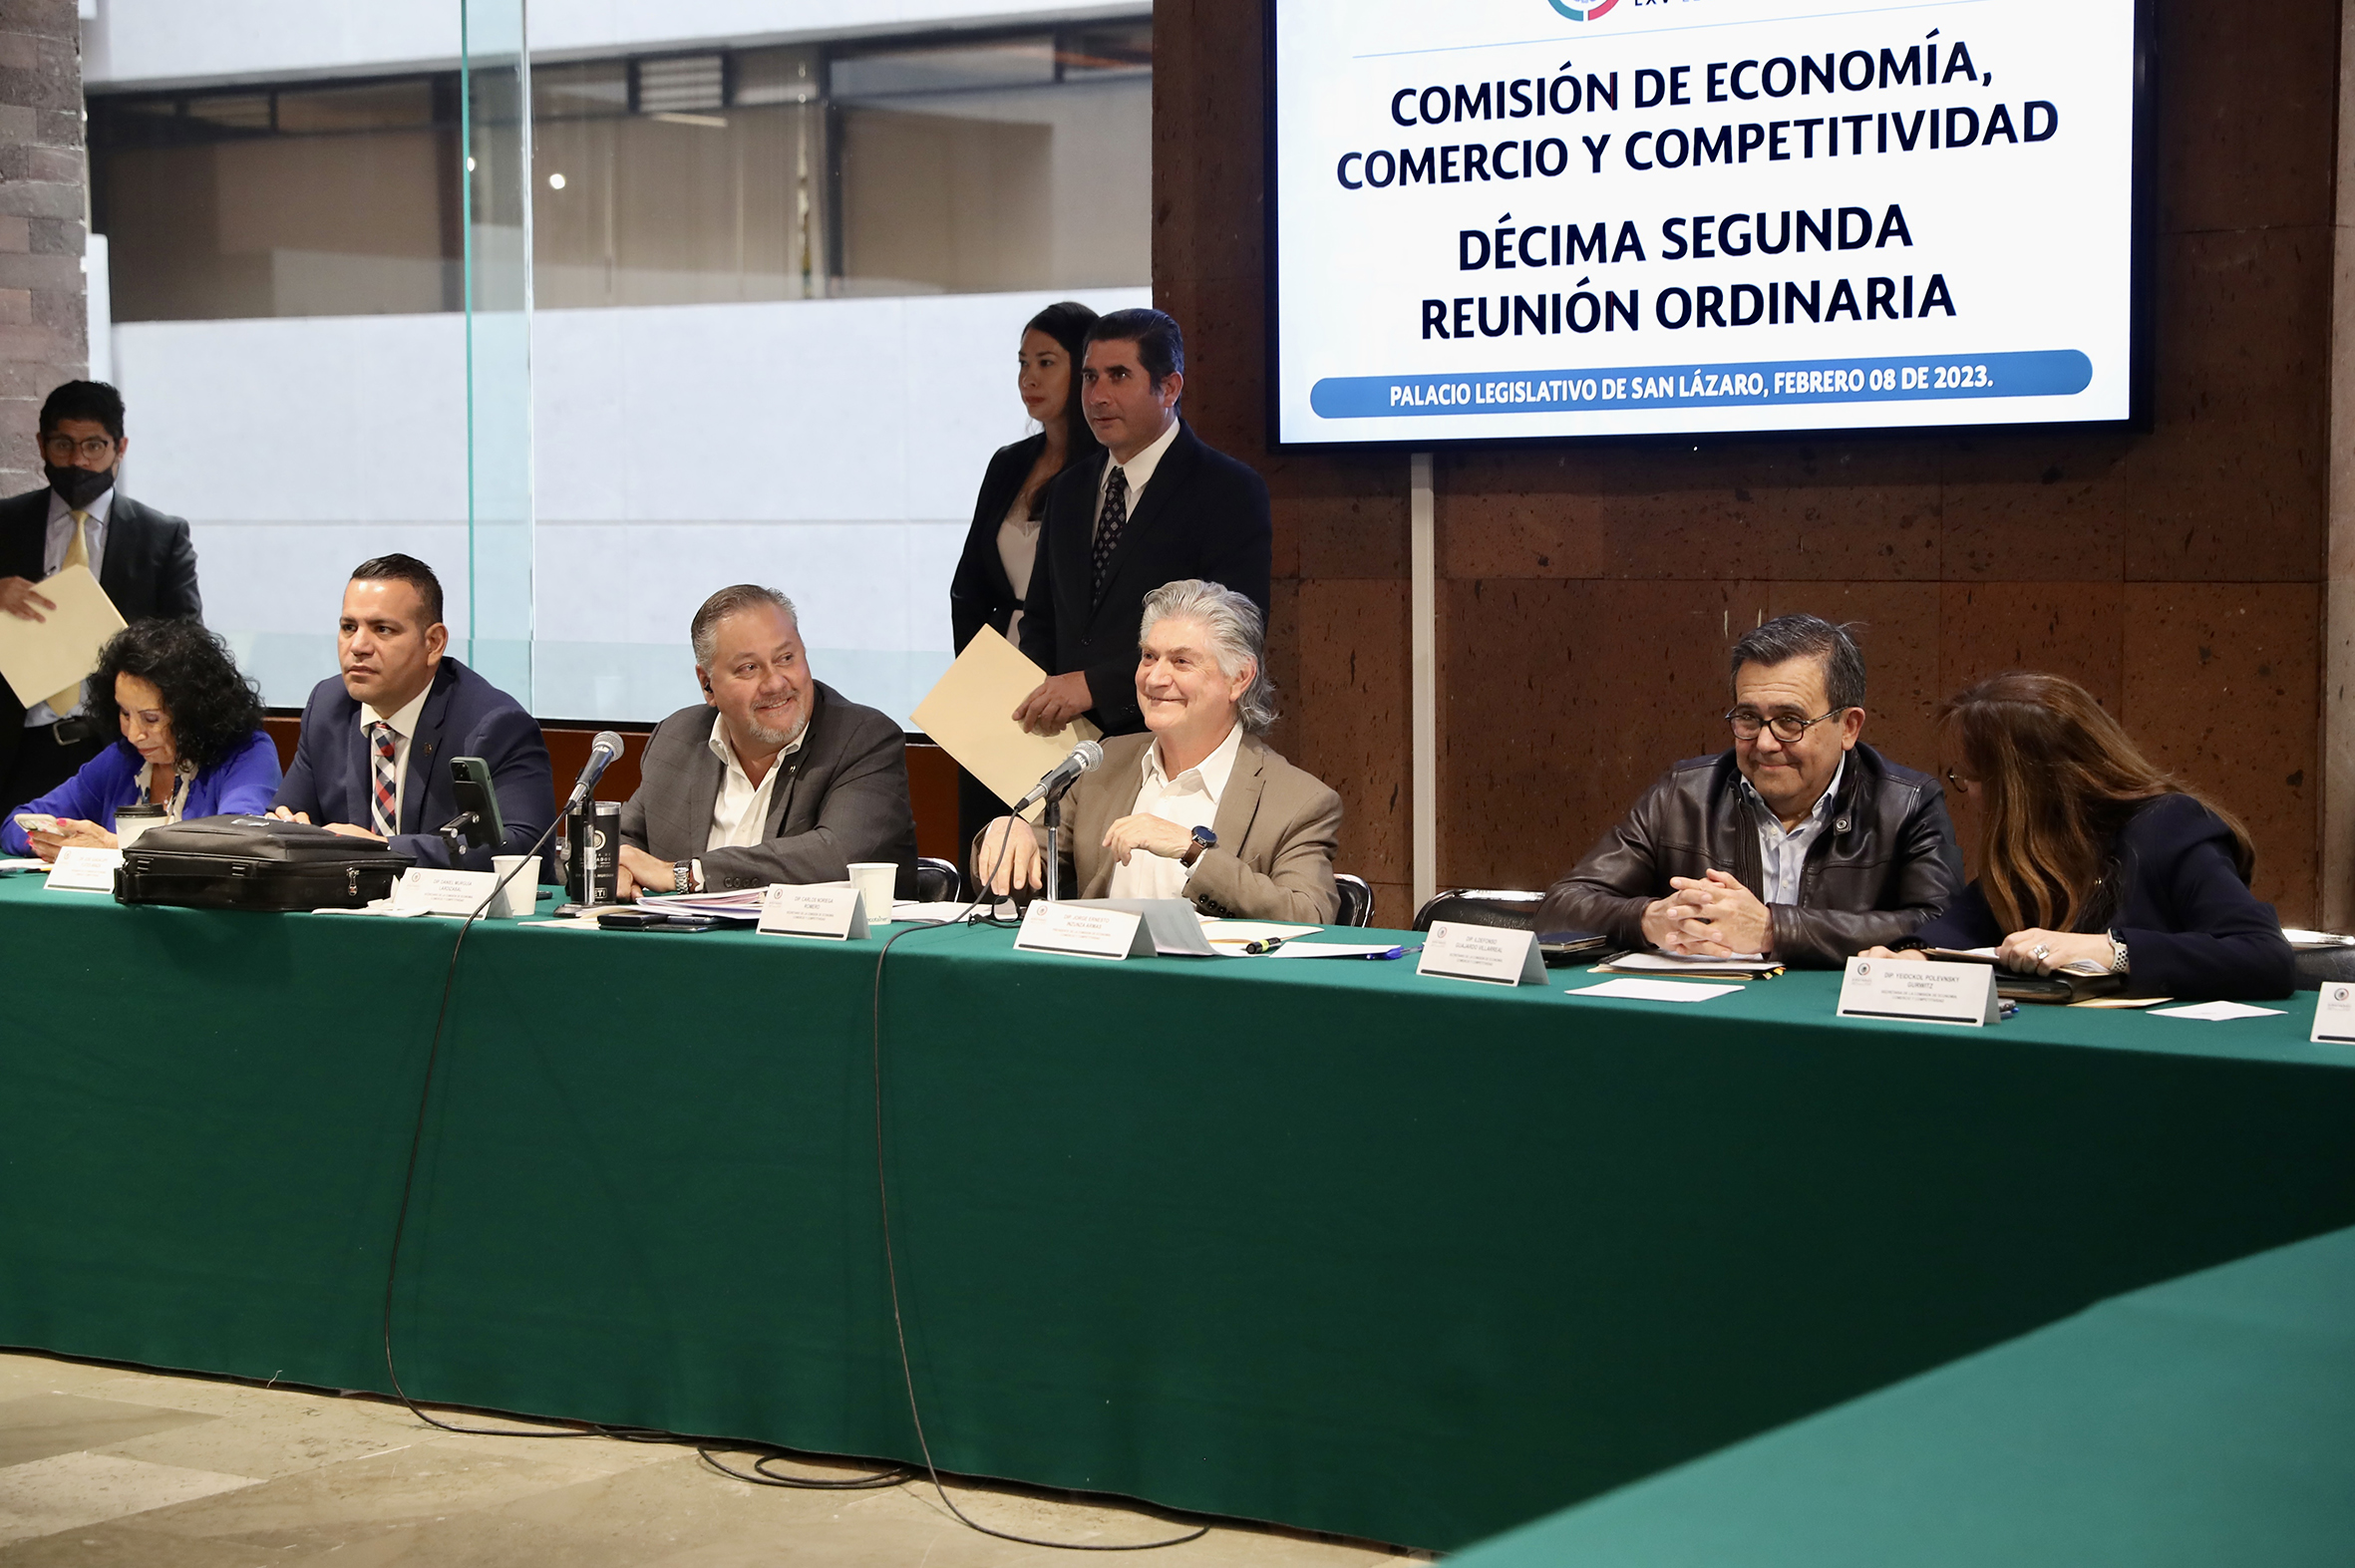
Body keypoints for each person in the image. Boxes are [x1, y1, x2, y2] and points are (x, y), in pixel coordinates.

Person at [1534, 614, 1961, 965]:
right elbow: (1560, 907)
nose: (1765, 743)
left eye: (1790, 721)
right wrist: (1651, 918)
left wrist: (1774, 930)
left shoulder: (1907, 803)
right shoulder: (1685, 795)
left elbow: (1942, 930)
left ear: (1848, 727)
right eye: (1748, 718)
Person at [1863, 672, 2295, 999]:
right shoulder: (2031, 845)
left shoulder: (2170, 825)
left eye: (1973, 777)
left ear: (2023, 784)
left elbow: (2264, 957)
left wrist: (2111, 951)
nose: (1970, 793)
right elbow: (1963, 927)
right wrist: (1915, 956)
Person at [976, 578, 1340, 924]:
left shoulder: (1299, 802)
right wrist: (1007, 834)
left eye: (1181, 661)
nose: (1154, 678)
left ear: (1239, 678)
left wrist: (1193, 851)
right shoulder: (1106, 762)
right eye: (1149, 656)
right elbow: (1014, 880)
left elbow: (1311, 916)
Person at [1013, 308, 1272, 740]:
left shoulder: (1227, 490)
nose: (1097, 396)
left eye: (1118, 376)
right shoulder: (1070, 488)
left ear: (1169, 388)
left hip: (1170, 737)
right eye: (1090, 377)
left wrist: (1094, 687)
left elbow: (1233, 633)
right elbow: (1040, 616)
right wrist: (1044, 693)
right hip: (1063, 742)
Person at [616, 584, 917, 897]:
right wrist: (618, 869)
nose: (774, 683)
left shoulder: (862, 739)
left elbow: (841, 855)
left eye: (786, 658)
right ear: (707, 685)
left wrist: (686, 875)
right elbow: (622, 840)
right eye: (749, 668)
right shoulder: (678, 737)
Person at [271, 554, 553, 870]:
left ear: (433, 643)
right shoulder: (328, 707)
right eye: (349, 627)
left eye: (382, 629)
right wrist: (287, 829)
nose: (358, 646)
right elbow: (285, 815)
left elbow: (527, 847)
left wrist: (381, 850)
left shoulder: (494, 725)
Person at [0, 381, 202, 818]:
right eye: (63, 444)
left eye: (94, 446)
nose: (78, 460)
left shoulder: (161, 536)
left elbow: (189, 643)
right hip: (17, 749)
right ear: (41, 445)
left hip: (117, 748)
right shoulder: (5, 523)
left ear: (119, 448)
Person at [948, 300, 1101, 870]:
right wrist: (976, 669)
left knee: (1048, 830)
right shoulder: (1009, 462)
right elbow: (969, 580)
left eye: (1046, 362)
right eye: (1022, 363)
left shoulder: (1100, 472)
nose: (1028, 378)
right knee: (985, 828)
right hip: (996, 664)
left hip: (1065, 673)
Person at [0, 618, 278, 860]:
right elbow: (15, 825)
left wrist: (116, 847)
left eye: (151, 718)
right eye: (125, 714)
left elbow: (237, 842)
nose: (134, 734)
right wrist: (55, 841)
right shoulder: (123, 758)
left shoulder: (248, 753)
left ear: (195, 712)